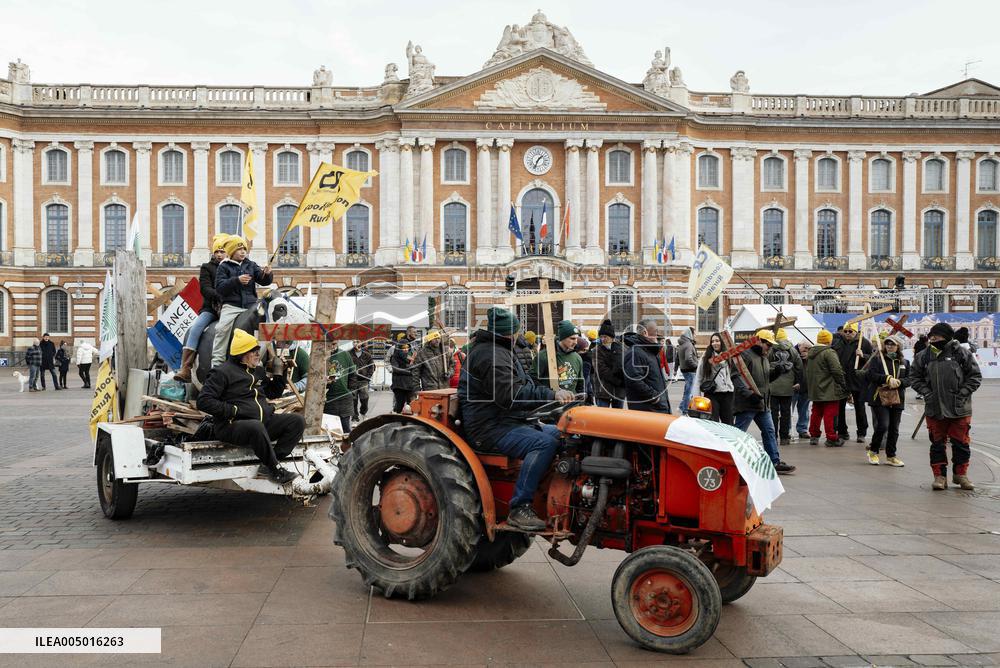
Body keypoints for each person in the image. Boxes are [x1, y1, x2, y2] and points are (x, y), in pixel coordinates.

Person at [458, 307, 574, 531]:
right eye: (517, 331)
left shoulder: (502, 350)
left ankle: (553, 496)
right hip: (490, 428)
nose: (519, 336)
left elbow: (526, 386)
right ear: (509, 333)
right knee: (544, 443)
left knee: (563, 434)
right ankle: (519, 507)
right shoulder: (490, 355)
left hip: (508, 420)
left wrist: (553, 402)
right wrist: (551, 395)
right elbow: (510, 396)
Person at [196, 329, 302, 484]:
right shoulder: (222, 372)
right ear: (242, 353)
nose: (258, 354)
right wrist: (233, 411)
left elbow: (273, 393)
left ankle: (270, 463)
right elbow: (204, 401)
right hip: (231, 426)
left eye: (258, 350)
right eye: (254, 351)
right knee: (255, 426)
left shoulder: (257, 372)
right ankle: (275, 470)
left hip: (261, 424)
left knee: (297, 421)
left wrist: (280, 374)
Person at [909, 322, 983, 491]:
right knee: (937, 444)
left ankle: (961, 475)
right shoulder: (924, 355)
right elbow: (914, 377)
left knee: (961, 444)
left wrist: (962, 393)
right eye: (932, 336)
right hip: (934, 409)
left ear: (947, 337)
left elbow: (975, 376)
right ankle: (939, 477)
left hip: (959, 408)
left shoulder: (961, 353)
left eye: (938, 336)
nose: (934, 339)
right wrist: (927, 393)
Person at [733, 329, 795, 474]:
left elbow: (766, 379)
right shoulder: (746, 355)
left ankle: (774, 461)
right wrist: (749, 394)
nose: (770, 348)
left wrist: (778, 371)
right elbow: (736, 376)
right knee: (738, 433)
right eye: (768, 345)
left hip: (762, 402)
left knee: (769, 431)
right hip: (748, 403)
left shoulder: (763, 357)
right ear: (759, 341)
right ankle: (729, 459)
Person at [211, 236, 274, 368]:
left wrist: (267, 274)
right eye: (239, 249)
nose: (242, 251)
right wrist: (237, 280)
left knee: (267, 326)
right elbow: (220, 288)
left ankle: (270, 357)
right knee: (222, 329)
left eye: (244, 248)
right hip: (231, 307)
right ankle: (217, 361)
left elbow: (263, 280)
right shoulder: (224, 267)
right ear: (232, 251)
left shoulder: (250, 264)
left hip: (251, 305)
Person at [176, 234, 227, 381]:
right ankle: (186, 367)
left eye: (222, 251)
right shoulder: (207, 268)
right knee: (195, 328)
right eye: (216, 251)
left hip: (230, 307)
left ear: (227, 252)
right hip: (211, 308)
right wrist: (220, 296)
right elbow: (205, 289)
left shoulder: (233, 267)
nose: (219, 254)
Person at [861, 335, 909, 467]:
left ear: (898, 346)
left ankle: (891, 456)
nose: (889, 346)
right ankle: (873, 451)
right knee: (883, 425)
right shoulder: (877, 360)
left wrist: (900, 382)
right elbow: (870, 375)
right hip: (879, 398)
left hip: (897, 398)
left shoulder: (904, 362)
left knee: (894, 428)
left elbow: (910, 379)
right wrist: (886, 379)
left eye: (892, 344)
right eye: (887, 344)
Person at [806, 329, 849, 447]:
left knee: (816, 412)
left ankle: (814, 436)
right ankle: (831, 438)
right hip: (829, 388)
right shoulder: (829, 352)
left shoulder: (811, 352)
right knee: (830, 414)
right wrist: (843, 384)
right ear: (829, 341)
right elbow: (836, 370)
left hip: (815, 388)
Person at [832, 322, 873, 444]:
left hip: (857, 380)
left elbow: (873, 359)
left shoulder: (864, 342)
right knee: (839, 408)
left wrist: (863, 355)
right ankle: (842, 431)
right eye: (846, 331)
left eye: (850, 331)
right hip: (842, 379)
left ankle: (861, 432)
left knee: (859, 407)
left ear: (856, 332)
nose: (848, 333)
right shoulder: (838, 342)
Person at [623, 319, 671, 413]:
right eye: (655, 331)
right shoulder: (636, 352)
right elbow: (634, 380)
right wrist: (654, 397)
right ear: (645, 332)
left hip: (656, 407)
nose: (657, 335)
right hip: (648, 409)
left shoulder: (649, 351)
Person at [768, 329, 803, 446]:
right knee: (786, 413)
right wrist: (798, 381)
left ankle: (773, 437)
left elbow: (764, 365)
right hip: (788, 387)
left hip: (772, 386)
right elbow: (799, 366)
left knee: (773, 413)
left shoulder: (770, 349)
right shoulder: (793, 350)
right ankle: (784, 437)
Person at [532, 320, 584, 393]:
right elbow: (533, 380)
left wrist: (580, 401)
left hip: (572, 403)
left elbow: (580, 384)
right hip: (551, 402)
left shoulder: (577, 357)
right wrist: (550, 393)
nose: (575, 342)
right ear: (562, 338)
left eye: (576, 338)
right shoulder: (544, 356)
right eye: (572, 338)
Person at [695, 332, 735, 424]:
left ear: (722, 342)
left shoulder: (729, 356)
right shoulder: (706, 357)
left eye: (717, 341)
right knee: (713, 423)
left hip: (727, 394)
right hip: (712, 394)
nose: (714, 343)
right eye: (712, 341)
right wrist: (697, 397)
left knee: (729, 424)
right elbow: (698, 378)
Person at [324, 344, 356, 435]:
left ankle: (348, 448)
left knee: (345, 430)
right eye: (331, 343)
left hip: (344, 398)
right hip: (327, 399)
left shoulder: (345, 354)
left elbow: (352, 374)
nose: (332, 346)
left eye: (334, 343)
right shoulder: (319, 356)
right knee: (330, 431)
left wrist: (351, 391)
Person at [593, 319, 625, 409]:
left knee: (618, 420)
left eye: (605, 337)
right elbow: (602, 370)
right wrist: (619, 381)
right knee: (603, 420)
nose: (602, 339)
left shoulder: (621, 349)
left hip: (618, 392)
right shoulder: (596, 350)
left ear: (612, 337)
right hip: (603, 391)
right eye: (601, 337)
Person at [390, 332, 418, 413]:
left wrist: (410, 368)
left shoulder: (411, 357)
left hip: (410, 385)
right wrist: (410, 369)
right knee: (400, 404)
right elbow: (396, 369)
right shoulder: (395, 357)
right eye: (403, 348)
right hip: (399, 385)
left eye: (407, 347)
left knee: (412, 405)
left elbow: (416, 368)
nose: (406, 349)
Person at [348, 340, 374, 422]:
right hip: (352, 380)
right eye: (354, 341)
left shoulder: (367, 354)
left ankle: (363, 412)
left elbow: (372, 366)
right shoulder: (348, 354)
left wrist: (368, 376)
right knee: (353, 399)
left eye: (358, 341)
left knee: (365, 398)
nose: (356, 343)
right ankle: (354, 418)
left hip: (363, 380)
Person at [792, 340, 812, 439]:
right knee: (788, 411)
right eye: (805, 348)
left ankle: (802, 429)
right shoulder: (792, 354)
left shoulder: (810, 356)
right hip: (793, 387)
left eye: (809, 349)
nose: (806, 350)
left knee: (804, 410)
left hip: (806, 388)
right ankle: (786, 431)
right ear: (799, 346)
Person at [676, 327, 699, 415]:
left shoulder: (682, 344)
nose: (695, 335)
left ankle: (682, 407)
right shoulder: (689, 344)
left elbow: (679, 358)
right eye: (694, 334)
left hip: (684, 370)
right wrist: (696, 366)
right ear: (690, 334)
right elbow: (688, 359)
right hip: (690, 371)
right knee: (689, 392)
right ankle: (685, 410)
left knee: (687, 391)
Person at [577, 335, 594, 404]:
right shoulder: (587, 358)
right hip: (586, 393)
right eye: (584, 350)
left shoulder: (585, 360)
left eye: (586, 350)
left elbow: (584, 381)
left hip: (582, 394)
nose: (586, 351)